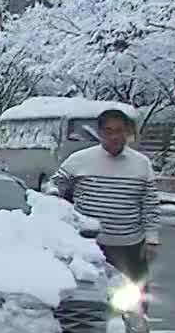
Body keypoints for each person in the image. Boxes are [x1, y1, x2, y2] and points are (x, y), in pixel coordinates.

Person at [50, 106, 160, 286]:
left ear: (128, 132)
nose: (114, 136)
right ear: (99, 133)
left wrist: (152, 240)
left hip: (130, 247)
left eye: (119, 131)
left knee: (134, 301)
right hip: (89, 246)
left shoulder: (141, 164)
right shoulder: (79, 160)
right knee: (88, 299)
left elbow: (150, 203)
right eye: (108, 131)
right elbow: (54, 186)